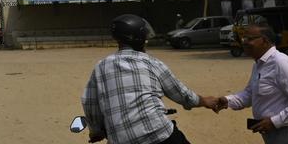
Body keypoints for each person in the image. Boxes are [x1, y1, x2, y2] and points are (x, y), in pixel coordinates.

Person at [81, 14, 219, 144]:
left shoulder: (101, 66)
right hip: (157, 134)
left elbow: (90, 103)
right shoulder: (152, 63)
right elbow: (183, 95)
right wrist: (205, 101)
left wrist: (95, 131)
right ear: (140, 38)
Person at [207, 22, 288, 143]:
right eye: (243, 38)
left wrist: (274, 122)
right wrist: (228, 101)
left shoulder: (281, 63)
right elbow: (249, 94)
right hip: (273, 132)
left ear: (264, 40)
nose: (244, 42)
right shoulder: (259, 64)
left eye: (249, 39)